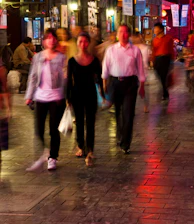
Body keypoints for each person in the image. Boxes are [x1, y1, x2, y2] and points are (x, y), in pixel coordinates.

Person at [25, 29, 67, 171]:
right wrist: (29, 96)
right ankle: (45, 151)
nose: (51, 40)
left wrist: (66, 96)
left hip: (56, 98)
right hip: (40, 97)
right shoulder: (38, 57)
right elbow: (33, 77)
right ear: (44, 41)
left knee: (53, 129)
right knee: (38, 129)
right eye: (48, 38)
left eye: (53, 38)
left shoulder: (61, 58)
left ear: (56, 40)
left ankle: (52, 157)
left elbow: (65, 79)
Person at [102, 24, 145, 154]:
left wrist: (142, 85)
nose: (123, 34)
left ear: (129, 34)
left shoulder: (135, 50)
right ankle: (120, 135)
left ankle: (126, 143)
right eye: (121, 32)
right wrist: (105, 84)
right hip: (115, 83)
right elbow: (106, 66)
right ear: (117, 34)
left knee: (128, 113)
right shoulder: (111, 50)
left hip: (130, 83)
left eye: (126, 32)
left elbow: (140, 69)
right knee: (118, 112)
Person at [67, 32, 104, 167]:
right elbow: (69, 81)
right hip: (77, 94)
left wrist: (103, 94)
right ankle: (80, 146)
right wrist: (68, 97)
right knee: (80, 122)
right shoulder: (72, 61)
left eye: (85, 41)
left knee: (90, 123)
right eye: (80, 41)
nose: (83, 44)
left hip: (90, 94)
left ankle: (90, 149)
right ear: (77, 44)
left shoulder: (94, 60)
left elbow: (99, 78)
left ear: (88, 43)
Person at [151, 22, 174, 102]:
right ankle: (165, 91)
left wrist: (172, 60)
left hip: (166, 59)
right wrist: (152, 60)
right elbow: (153, 51)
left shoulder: (168, 38)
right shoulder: (154, 40)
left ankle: (164, 93)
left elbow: (171, 50)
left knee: (164, 76)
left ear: (161, 29)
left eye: (156, 28)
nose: (154, 30)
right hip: (157, 60)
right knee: (159, 76)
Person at [131, 32, 150, 113]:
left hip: (143, 71)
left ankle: (146, 106)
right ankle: (132, 106)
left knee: (144, 90)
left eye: (136, 37)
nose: (135, 39)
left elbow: (147, 59)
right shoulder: (130, 48)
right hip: (133, 72)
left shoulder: (145, 48)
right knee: (132, 90)